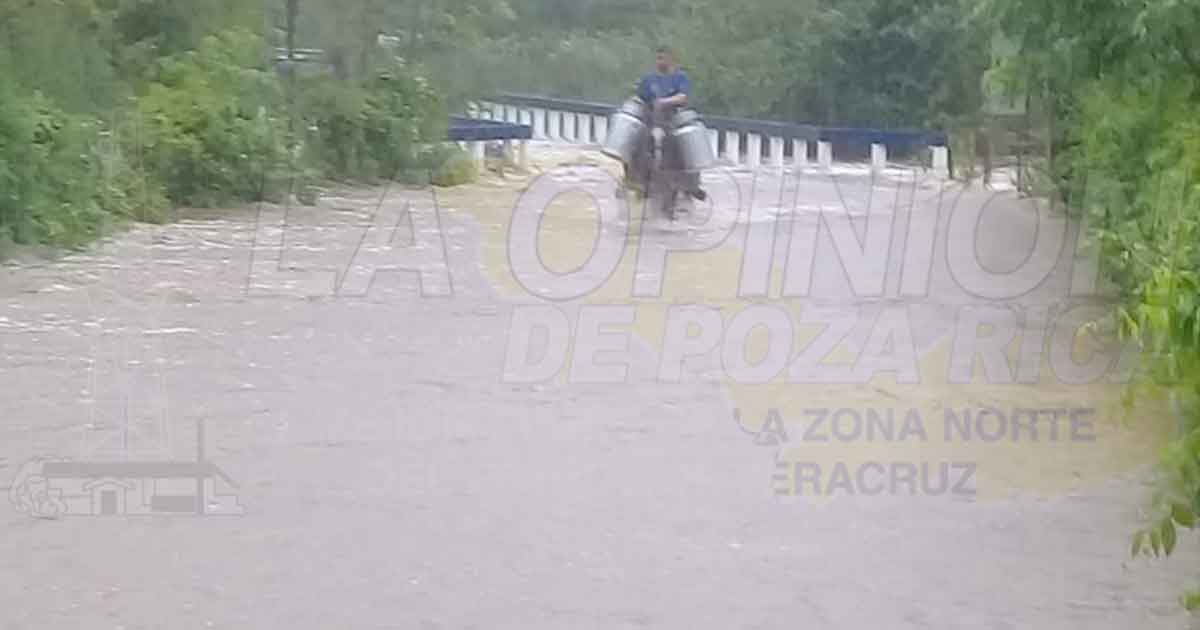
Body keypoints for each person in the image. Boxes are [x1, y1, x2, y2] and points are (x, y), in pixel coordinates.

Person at [624, 47, 706, 201]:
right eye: (658, 58)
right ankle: (632, 178)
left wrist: (664, 101)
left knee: (685, 141)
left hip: (672, 118)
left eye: (662, 58)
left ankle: (691, 182)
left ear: (671, 59)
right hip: (650, 117)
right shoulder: (648, 79)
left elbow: (682, 97)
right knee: (635, 139)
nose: (659, 62)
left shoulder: (680, 77)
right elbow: (639, 98)